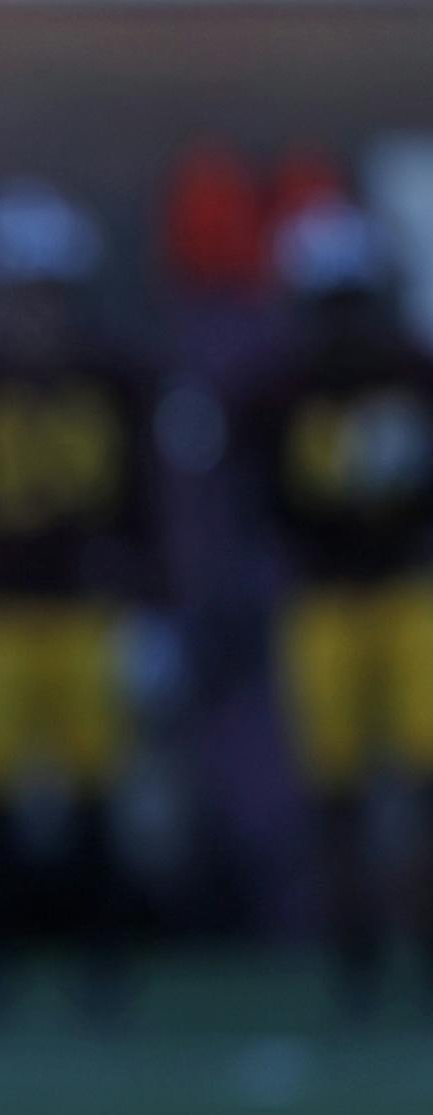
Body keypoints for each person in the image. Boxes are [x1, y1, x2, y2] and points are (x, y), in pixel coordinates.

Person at [0, 179, 160, 1020]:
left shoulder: (116, 378)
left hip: (88, 612)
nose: (35, 318)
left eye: (49, 296)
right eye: (21, 297)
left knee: (98, 791)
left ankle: (104, 964)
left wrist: (153, 601)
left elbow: (144, 500)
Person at [248, 196, 433, 1016]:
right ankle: (355, 955)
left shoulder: (410, 373)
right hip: (324, 602)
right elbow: (260, 500)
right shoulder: (279, 388)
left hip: (408, 594)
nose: (346, 327)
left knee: (419, 783)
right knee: (338, 790)